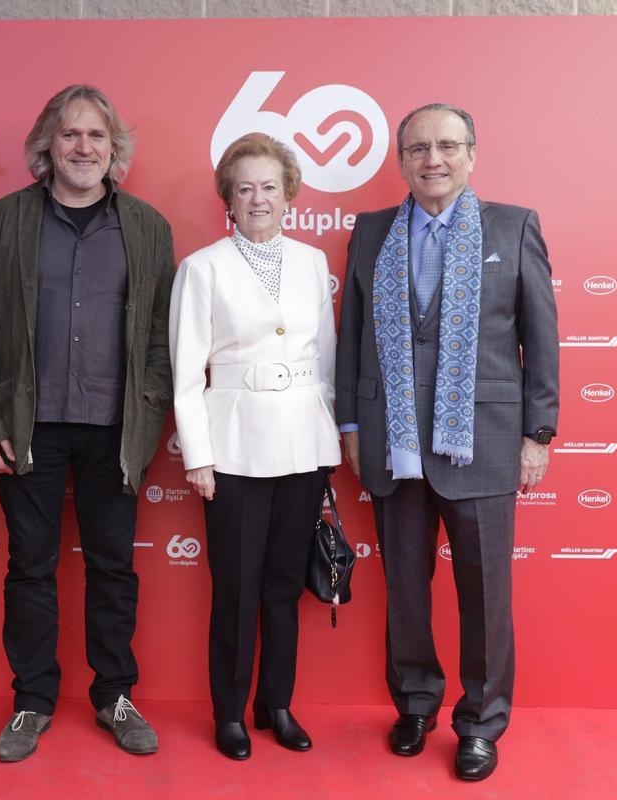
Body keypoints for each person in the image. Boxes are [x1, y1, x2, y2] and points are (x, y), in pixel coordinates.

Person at [0, 85, 175, 763]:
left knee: (113, 568)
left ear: (115, 150)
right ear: (48, 145)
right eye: (71, 135)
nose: (84, 148)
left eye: (97, 137)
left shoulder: (147, 226)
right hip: (28, 426)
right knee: (30, 569)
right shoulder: (7, 220)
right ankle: (33, 700)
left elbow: (164, 336)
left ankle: (114, 695)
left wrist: (150, 410)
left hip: (115, 429)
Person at [336, 103, 559, 781]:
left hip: (484, 442)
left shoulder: (513, 226)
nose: (433, 158)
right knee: (404, 588)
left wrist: (538, 433)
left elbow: (539, 337)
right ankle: (414, 703)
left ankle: (481, 723)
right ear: (400, 160)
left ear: (472, 154)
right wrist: (350, 423)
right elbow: (351, 336)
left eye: (447, 146)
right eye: (418, 148)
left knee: (486, 595)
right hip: (393, 442)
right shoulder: (372, 231)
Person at [169, 133, 341, 760]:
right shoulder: (202, 267)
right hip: (234, 448)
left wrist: (328, 439)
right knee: (236, 589)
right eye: (245, 187)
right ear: (228, 198)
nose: (258, 198)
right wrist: (198, 458)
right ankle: (231, 713)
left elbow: (324, 359)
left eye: (270, 186)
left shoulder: (312, 262)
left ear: (288, 194)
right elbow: (187, 373)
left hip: (302, 444)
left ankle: (277, 705)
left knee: (282, 586)